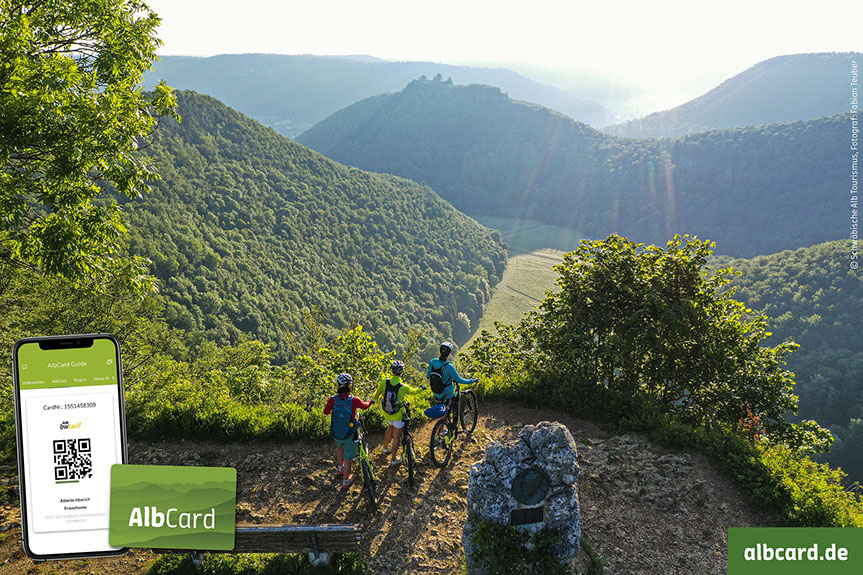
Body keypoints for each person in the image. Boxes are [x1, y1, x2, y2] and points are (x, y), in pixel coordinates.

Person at [323, 373, 372, 489]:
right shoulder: (353, 400)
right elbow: (365, 406)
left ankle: (340, 468)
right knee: (348, 458)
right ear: (350, 385)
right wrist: (370, 401)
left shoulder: (333, 399)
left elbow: (326, 412)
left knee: (340, 447)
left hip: (337, 432)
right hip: (349, 432)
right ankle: (346, 481)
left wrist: (334, 413)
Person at [373, 360, 425, 467]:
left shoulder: (384, 382)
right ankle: (393, 460)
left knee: (390, 427)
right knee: (396, 435)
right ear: (402, 371)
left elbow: (375, 396)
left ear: (392, 370)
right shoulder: (403, 387)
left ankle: (385, 448)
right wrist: (421, 388)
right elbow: (414, 391)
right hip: (398, 414)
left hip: (387, 412)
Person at [426, 341, 477, 422]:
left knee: (444, 408)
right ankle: (451, 423)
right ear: (449, 353)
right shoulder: (449, 367)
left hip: (436, 393)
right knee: (453, 405)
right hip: (447, 394)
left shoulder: (432, 362)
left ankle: (443, 427)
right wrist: (472, 381)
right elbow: (459, 380)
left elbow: (428, 376)